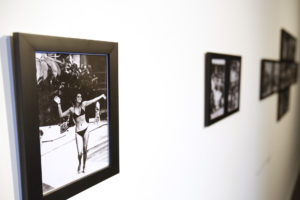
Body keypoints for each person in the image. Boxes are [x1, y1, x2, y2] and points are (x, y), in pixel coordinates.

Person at [54, 93, 106, 173]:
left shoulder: (84, 104)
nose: (80, 97)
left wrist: (101, 96)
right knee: (79, 153)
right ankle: (79, 163)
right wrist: (58, 104)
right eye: (78, 96)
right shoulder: (71, 109)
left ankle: (84, 166)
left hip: (85, 129)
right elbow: (61, 115)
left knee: (85, 149)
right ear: (75, 98)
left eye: (81, 96)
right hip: (78, 132)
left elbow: (93, 100)